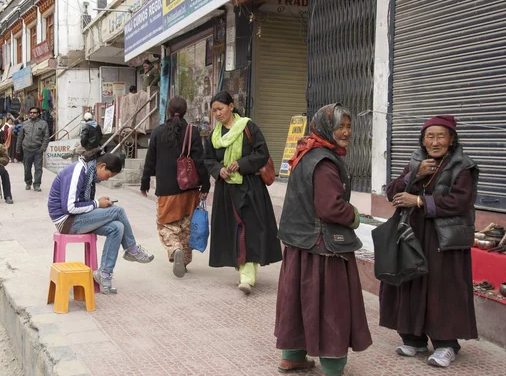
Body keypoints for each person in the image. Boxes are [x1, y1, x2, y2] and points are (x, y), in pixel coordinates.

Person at [274, 104, 372, 375]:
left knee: (298, 300)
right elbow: (330, 208)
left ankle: (292, 356)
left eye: (349, 126)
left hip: (301, 244)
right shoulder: (324, 162)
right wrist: (354, 216)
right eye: (340, 126)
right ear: (326, 127)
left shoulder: (307, 153)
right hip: (323, 247)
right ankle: (333, 365)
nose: (345, 132)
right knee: (331, 305)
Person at [379, 115, 478, 368]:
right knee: (413, 281)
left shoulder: (463, 166)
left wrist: (421, 201)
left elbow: (461, 202)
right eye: (430, 136)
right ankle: (414, 339)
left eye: (440, 136)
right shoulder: (416, 161)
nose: (435, 142)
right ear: (423, 140)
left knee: (442, 288)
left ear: (451, 139)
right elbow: (392, 191)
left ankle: (447, 345)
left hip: (444, 237)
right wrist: (414, 173)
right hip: (415, 234)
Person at [204, 91, 282, 294]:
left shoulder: (249, 127)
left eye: (220, 109)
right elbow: (208, 159)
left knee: (250, 230)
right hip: (226, 190)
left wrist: (241, 163)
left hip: (250, 187)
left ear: (231, 106)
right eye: (214, 111)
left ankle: (247, 277)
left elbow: (262, 153)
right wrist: (218, 169)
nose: (217, 114)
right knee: (235, 230)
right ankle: (243, 267)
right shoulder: (214, 135)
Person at [48, 149, 155, 294]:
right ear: (102, 166)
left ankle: (104, 274)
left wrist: (98, 203)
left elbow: (84, 203)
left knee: (117, 227)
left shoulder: (89, 174)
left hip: (78, 218)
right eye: (108, 175)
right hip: (67, 221)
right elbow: (69, 207)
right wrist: (97, 204)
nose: (107, 179)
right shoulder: (78, 171)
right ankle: (131, 249)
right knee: (118, 211)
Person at [140, 96, 210, 277]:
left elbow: (150, 160)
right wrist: (206, 184)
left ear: (168, 111)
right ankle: (184, 261)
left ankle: (175, 249)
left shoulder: (157, 131)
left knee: (166, 224)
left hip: (166, 188)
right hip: (189, 188)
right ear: (185, 111)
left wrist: (145, 182)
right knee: (186, 226)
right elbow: (200, 161)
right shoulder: (192, 132)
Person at [16, 107, 50, 191]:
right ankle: (28, 183)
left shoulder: (43, 124)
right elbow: (20, 137)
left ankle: (37, 184)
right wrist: (18, 148)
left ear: (38, 114)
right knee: (27, 168)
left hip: (37, 149)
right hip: (27, 149)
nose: (32, 114)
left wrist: (43, 148)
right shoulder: (25, 124)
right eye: (31, 112)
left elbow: (46, 137)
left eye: (34, 113)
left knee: (38, 168)